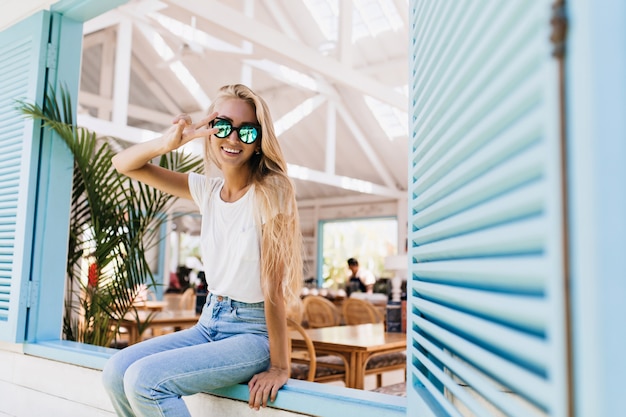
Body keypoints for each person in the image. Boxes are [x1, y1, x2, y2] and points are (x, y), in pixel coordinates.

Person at [102, 84, 303, 415]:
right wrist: (169, 143)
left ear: (259, 140)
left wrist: (280, 366)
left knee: (145, 381)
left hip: (252, 333)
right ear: (210, 131)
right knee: (115, 371)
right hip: (209, 322)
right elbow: (124, 163)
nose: (233, 138)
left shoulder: (272, 191)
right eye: (222, 126)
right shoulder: (207, 191)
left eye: (247, 130)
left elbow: (273, 287)